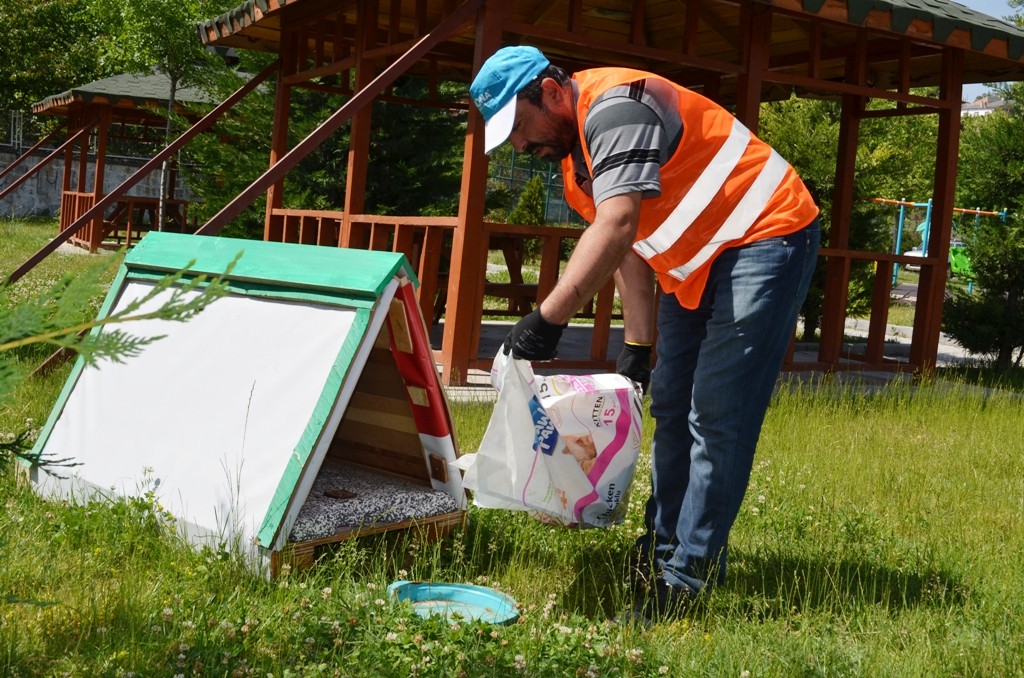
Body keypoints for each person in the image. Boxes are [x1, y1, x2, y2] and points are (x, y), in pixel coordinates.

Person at [470, 45, 820, 619]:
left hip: (765, 235)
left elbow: (619, 223)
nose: (520, 147)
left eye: (519, 127)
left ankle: (689, 581)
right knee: (671, 405)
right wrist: (637, 347)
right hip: (693, 264)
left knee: (716, 414)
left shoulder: (615, 109)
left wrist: (547, 320)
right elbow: (629, 251)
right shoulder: (576, 165)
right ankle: (662, 553)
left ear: (551, 92)